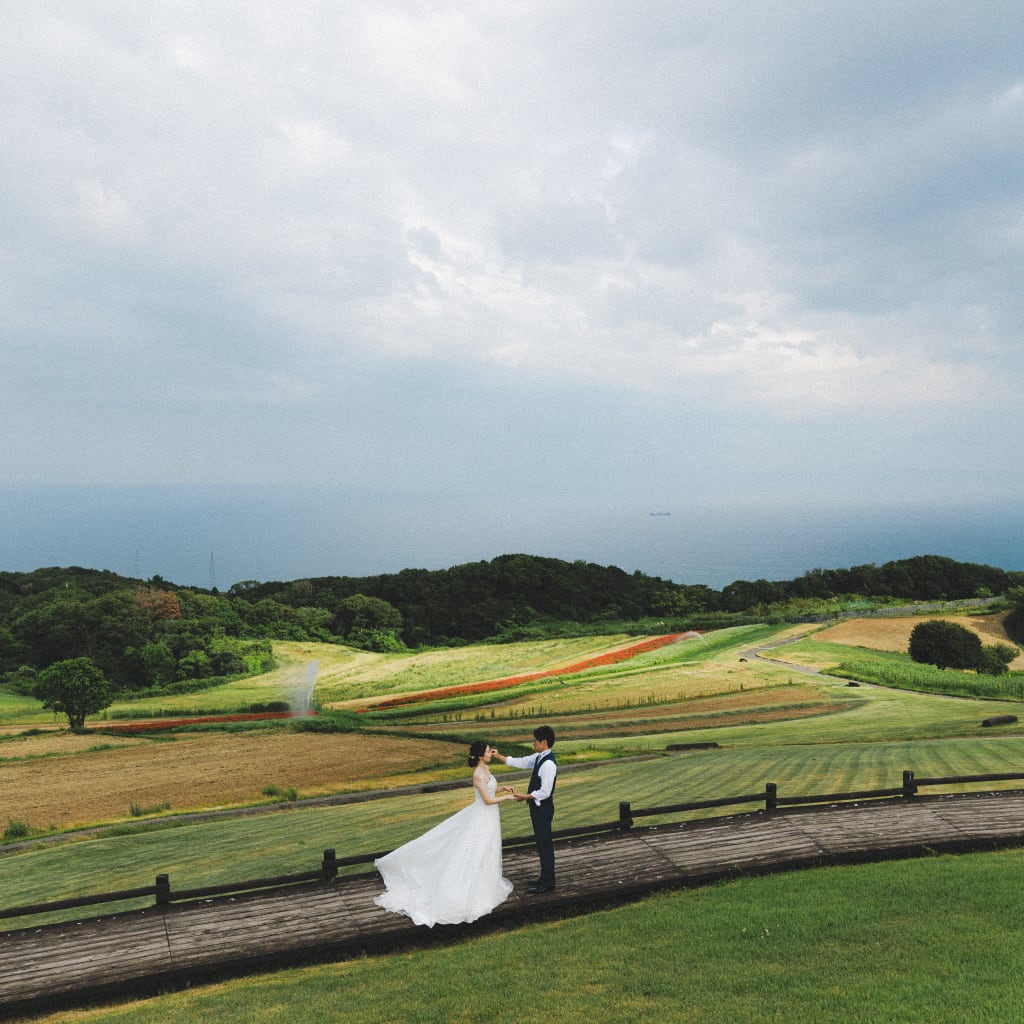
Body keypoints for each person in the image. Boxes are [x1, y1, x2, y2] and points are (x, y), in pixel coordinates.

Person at [373, 741, 516, 927]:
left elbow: (489, 790)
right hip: (482, 816)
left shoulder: (486, 769)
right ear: (481, 755)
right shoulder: (477, 775)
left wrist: (503, 788)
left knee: (488, 850)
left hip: (489, 817)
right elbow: (487, 800)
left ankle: (485, 886)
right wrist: (507, 797)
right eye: (488, 751)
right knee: (476, 851)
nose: (491, 752)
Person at [492, 725, 557, 893]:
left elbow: (545, 792)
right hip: (537, 809)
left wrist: (524, 796)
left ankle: (548, 883)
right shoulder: (538, 757)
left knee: (545, 844)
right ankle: (544, 878)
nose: (532, 743)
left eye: (535, 741)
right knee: (541, 843)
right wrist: (499, 756)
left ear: (544, 742)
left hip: (543, 809)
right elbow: (520, 762)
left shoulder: (549, 764)